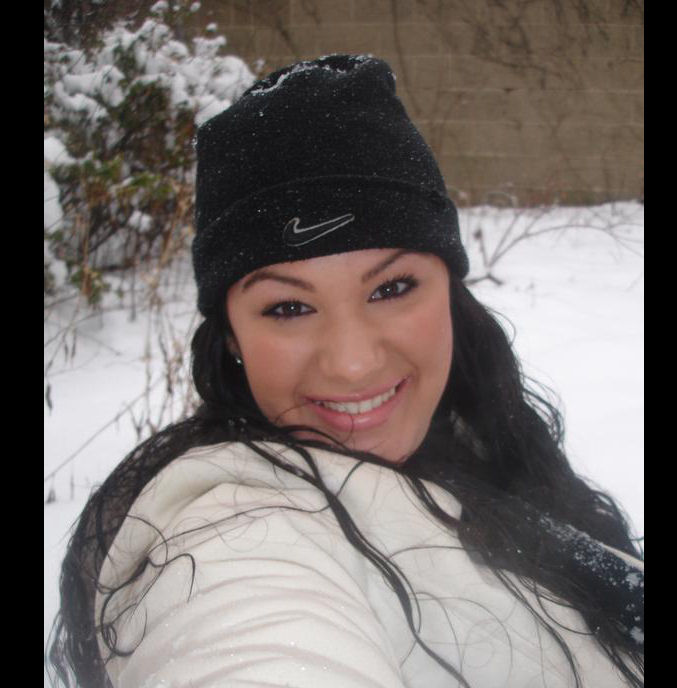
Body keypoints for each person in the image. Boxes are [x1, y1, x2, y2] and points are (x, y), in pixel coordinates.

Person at [48, 54, 643, 688]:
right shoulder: (233, 530)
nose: (353, 363)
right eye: (288, 307)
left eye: (391, 288)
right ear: (231, 339)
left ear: (449, 292)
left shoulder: (480, 445)